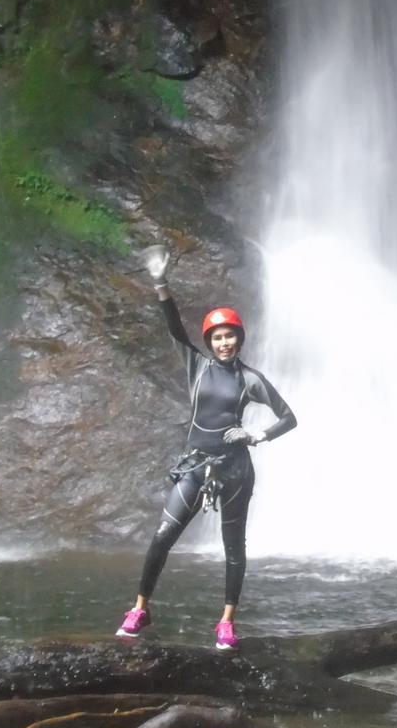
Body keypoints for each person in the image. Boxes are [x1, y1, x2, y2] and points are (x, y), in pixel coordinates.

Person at [115, 245, 297, 649]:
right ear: (210, 341)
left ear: (239, 338)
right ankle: (140, 608)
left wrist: (257, 436)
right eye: (217, 336)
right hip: (196, 465)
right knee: (163, 535)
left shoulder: (251, 379)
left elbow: (289, 417)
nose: (224, 342)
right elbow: (174, 327)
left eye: (230, 335)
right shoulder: (197, 366)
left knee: (234, 549)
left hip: (235, 471)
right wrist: (161, 283)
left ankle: (227, 621)